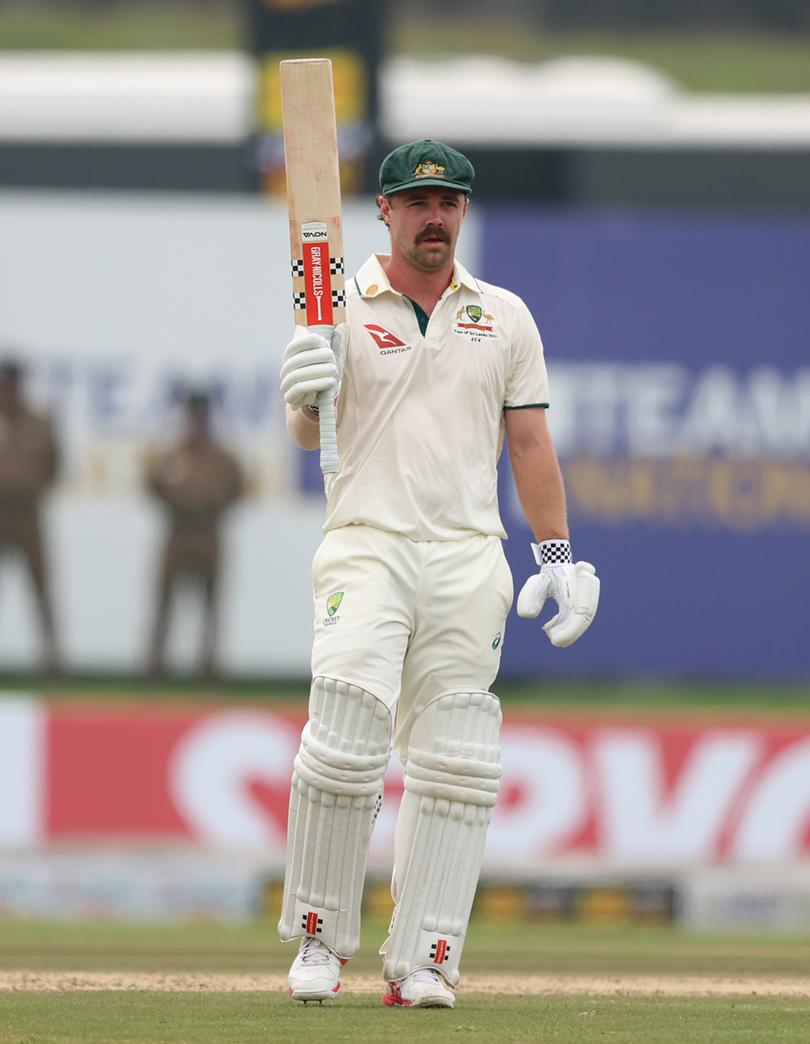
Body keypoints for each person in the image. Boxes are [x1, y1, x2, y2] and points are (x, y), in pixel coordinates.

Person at [277, 140, 600, 1009]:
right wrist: (305, 394)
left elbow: (529, 443)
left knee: (457, 758)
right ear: (384, 212)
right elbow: (309, 439)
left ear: (463, 212)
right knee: (345, 735)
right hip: (368, 540)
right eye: (417, 204)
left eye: (449, 203)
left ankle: (427, 957)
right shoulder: (334, 305)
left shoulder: (504, 314)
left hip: (467, 553)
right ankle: (318, 940)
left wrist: (559, 555)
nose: (434, 218)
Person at [145, 389, 244, 680]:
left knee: (211, 603)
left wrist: (214, 505)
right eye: (192, 414)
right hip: (177, 530)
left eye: (201, 415)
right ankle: (155, 665)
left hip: (208, 531)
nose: (196, 421)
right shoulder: (172, 452)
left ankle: (208, 666)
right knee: (164, 601)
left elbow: (238, 489)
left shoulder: (222, 457)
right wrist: (174, 501)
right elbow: (152, 486)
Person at [0, 357, 61, 675]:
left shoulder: (39, 422)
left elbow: (55, 463)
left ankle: (51, 661)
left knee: (41, 587)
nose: (8, 389)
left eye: (13, 383)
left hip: (27, 513)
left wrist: (35, 489)